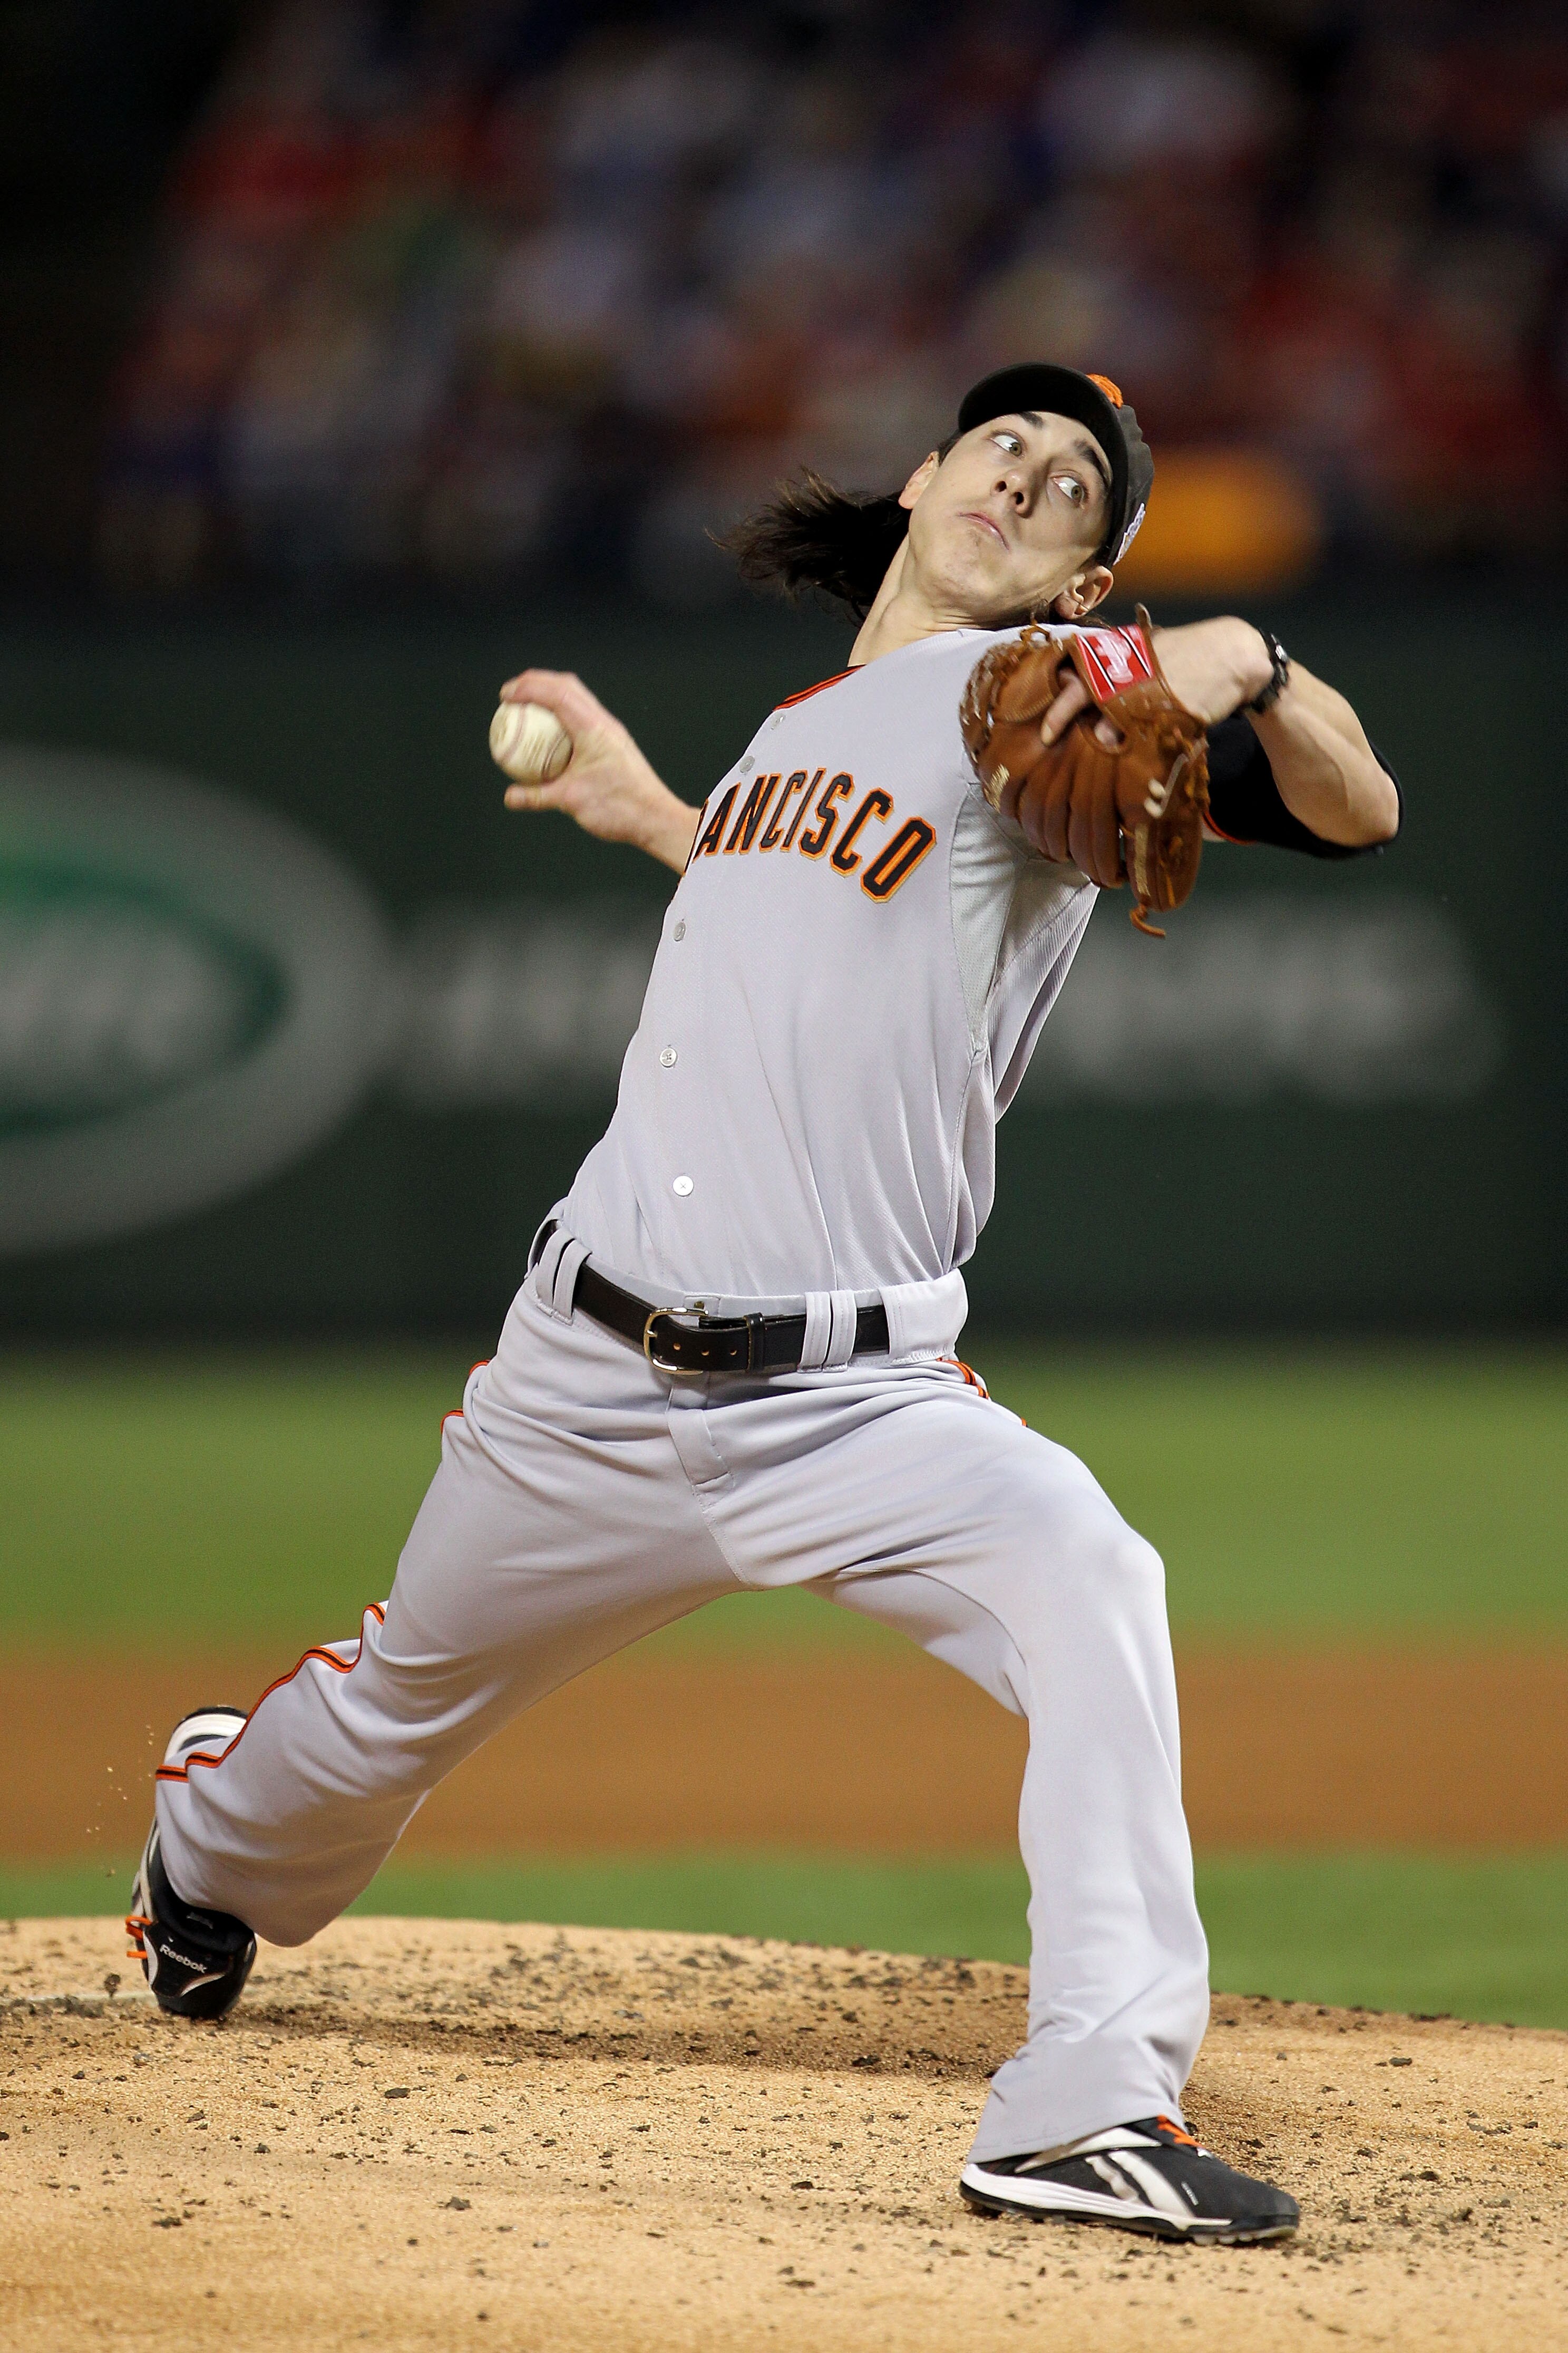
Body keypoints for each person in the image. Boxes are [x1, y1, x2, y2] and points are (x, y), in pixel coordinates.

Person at [129, 363, 1399, 2244]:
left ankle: (1081, 2110)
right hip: (583, 1376)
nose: (1030, 477)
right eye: (1008, 448)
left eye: (1073, 494)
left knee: (1089, 1578)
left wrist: (1245, 661)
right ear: (921, 479)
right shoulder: (803, 730)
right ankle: (204, 1839)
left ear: (1079, 582)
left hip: (855, 1408)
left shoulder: (1032, 716)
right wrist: (668, 811)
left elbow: (1357, 811)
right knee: (387, 1717)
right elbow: (794, 918)